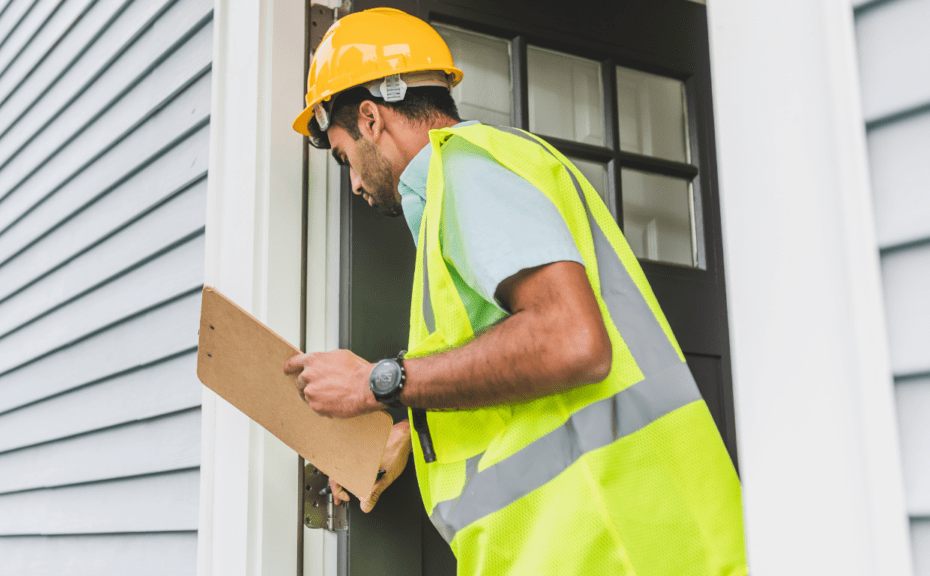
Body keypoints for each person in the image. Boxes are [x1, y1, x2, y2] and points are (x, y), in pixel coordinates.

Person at [283, 8, 747, 576]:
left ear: (372, 119)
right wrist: (411, 429)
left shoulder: (467, 171)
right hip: (623, 540)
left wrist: (378, 383)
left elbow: (572, 341)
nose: (352, 181)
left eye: (343, 156)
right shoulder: (483, 177)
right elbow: (510, 357)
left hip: (612, 546)